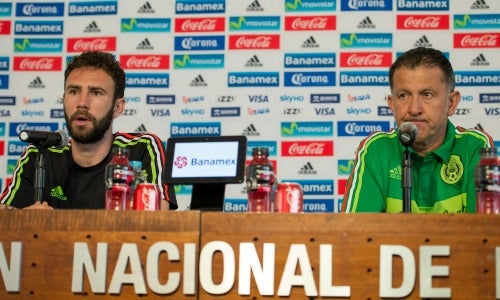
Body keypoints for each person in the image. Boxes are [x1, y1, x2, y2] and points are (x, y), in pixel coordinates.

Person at [0, 51, 177, 210]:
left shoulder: (142, 149)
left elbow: (156, 221)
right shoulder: (38, 155)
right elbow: (5, 219)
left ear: (118, 107)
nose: (82, 102)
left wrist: (52, 224)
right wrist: (24, 219)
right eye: (74, 91)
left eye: (96, 92)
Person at [342, 47, 493, 213]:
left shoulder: (475, 147)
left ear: (451, 103)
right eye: (404, 95)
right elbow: (354, 233)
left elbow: (485, 234)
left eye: (427, 94)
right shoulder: (376, 149)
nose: (414, 109)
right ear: (392, 105)